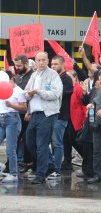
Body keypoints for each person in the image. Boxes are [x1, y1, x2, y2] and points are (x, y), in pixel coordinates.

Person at [24, 52, 63, 184]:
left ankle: (41, 174)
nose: (41, 62)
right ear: (35, 61)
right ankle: (50, 166)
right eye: (38, 60)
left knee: (42, 145)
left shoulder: (53, 74)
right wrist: (28, 94)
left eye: (43, 60)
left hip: (47, 114)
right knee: (29, 142)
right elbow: (26, 92)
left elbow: (56, 93)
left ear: (48, 60)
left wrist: (38, 92)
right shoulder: (34, 75)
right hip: (34, 114)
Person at [48, 55, 73, 179]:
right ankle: (50, 166)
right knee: (46, 142)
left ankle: (56, 170)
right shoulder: (53, 78)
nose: (53, 66)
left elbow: (56, 95)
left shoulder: (66, 79)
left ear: (62, 65)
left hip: (61, 116)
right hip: (51, 115)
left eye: (56, 64)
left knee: (57, 143)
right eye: (52, 64)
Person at [0, 71, 27, 183]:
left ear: (12, 79)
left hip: (12, 119)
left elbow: (24, 108)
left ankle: (13, 173)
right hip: (1, 119)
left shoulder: (19, 91)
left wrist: (11, 105)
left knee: (10, 148)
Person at [64, 70, 86, 173]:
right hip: (67, 117)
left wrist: (85, 119)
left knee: (74, 139)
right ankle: (67, 162)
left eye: (70, 78)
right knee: (66, 140)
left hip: (76, 118)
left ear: (75, 78)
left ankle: (87, 158)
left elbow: (83, 104)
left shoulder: (78, 88)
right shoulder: (68, 88)